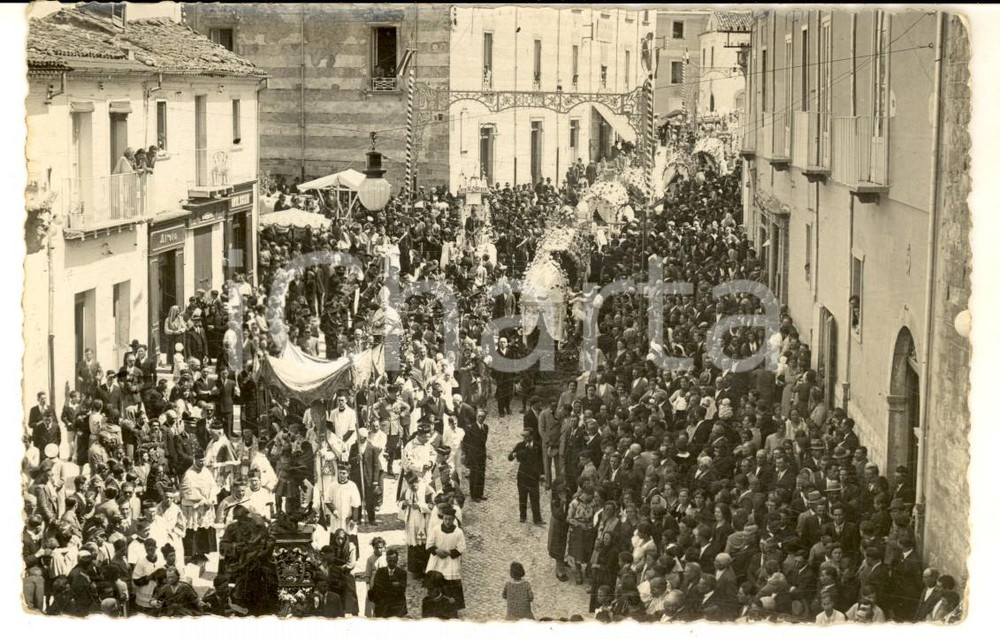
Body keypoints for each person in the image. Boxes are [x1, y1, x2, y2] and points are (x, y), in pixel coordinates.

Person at [425, 504, 466, 610]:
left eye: (450, 519)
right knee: (436, 581)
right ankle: (436, 604)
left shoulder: (458, 532)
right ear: (443, 518)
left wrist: (448, 552)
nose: (447, 521)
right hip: (437, 561)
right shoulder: (436, 529)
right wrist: (437, 551)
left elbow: (461, 548)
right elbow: (429, 544)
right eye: (446, 519)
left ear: (453, 519)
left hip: (450, 562)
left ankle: (452, 607)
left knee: (450, 584)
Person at [508, 427, 544, 525]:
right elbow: (509, 457)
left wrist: (542, 474)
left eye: (526, 436)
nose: (524, 438)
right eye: (523, 436)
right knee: (522, 497)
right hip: (523, 475)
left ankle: (537, 519)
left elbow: (541, 460)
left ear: (531, 436)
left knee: (535, 498)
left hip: (534, 476)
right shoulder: (520, 445)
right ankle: (522, 516)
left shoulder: (537, 445)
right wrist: (514, 454)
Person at [369, 547, 408, 618]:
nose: (392, 563)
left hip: (397, 606)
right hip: (383, 606)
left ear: (397, 560)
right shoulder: (380, 572)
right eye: (390, 560)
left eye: (394, 560)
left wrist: (387, 586)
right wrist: (394, 585)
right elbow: (377, 587)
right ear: (387, 560)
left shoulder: (402, 573)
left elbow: (402, 589)